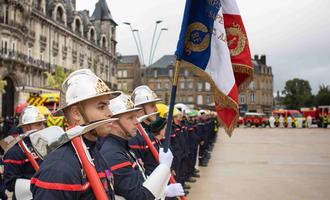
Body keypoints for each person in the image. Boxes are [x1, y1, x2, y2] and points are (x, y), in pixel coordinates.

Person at [31, 69, 120, 199]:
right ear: (76, 114)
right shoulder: (59, 168)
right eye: (101, 107)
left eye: (108, 105)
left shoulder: (93, 151)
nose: (110, 113)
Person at [100, 94, 184, 200]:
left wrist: (163, 191)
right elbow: (139, 196)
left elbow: (142, 180)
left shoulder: (123, 146)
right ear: (114, 122)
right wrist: (164, 168)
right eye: (130, 118)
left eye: (135, 116)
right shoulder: (113, 153)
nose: (136, 121)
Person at [3, 106, 46, 200]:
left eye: (43, 123)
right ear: (26, 127)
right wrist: (38, 184)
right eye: (39, 124)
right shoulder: (15, 151)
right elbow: (10, 184)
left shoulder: (43, 144)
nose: (43, 127)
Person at [129, 85, 160, 176]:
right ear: (140, 111)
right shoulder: (136, 136)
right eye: (152, 106)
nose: (156, 109)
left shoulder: (148, 130)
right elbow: (141, 171)